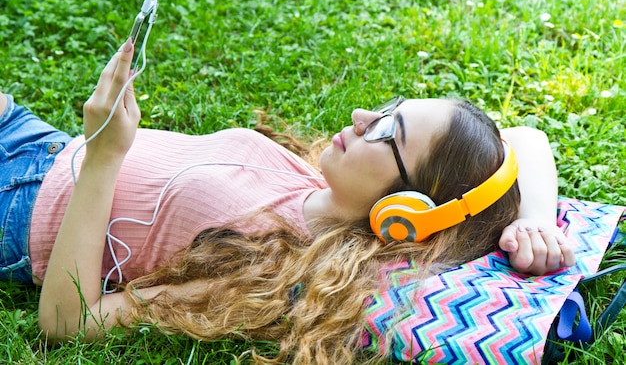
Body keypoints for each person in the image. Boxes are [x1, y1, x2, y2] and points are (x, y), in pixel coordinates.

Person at [0, 39, 574, 364]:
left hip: (17, 211)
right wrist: (533, 221)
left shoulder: (265, 268)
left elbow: (65, 323)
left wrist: (104, 156)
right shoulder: (318, 194)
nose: (361, 118)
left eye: (386, 132)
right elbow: (527, 140)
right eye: (390, 106)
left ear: (406, 213)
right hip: (42, 143)